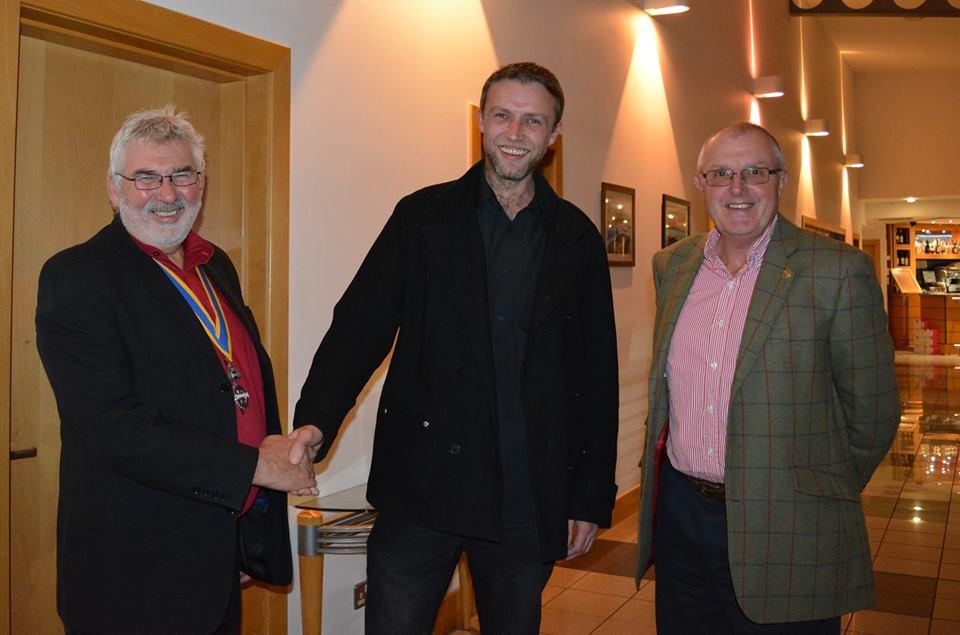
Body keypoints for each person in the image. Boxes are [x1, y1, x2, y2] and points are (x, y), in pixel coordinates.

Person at [291, 62, 619, 633]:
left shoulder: (576, 238)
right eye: (503, 116)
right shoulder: (421, 216)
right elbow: (360, 325)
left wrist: (590, 496)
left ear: (553, 136)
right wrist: (315, 422)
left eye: (533, 121)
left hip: (526, 493)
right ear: (482, 123)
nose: (515, 133)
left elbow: (596, 378)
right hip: (422, 488)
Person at [35, 106, 321, 634]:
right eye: (146, 177)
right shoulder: (76, 277)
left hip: (215, 546)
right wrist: (256, 468)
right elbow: (114, 430)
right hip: (131, 570)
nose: (167, 194)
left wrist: (241, 532)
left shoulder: (216, 265)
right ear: (114, 188)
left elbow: (231, 388)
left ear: (201, 183)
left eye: (182, 174)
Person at [637, 121, 900, 633]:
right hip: (681, 516)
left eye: (755, 171)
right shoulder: (673, 265)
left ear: (781, 180)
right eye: (721, 174)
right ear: (700, 184)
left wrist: (818, 490)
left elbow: (873, 411)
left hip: (788, 524)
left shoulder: (837, 271)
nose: (737, 189)